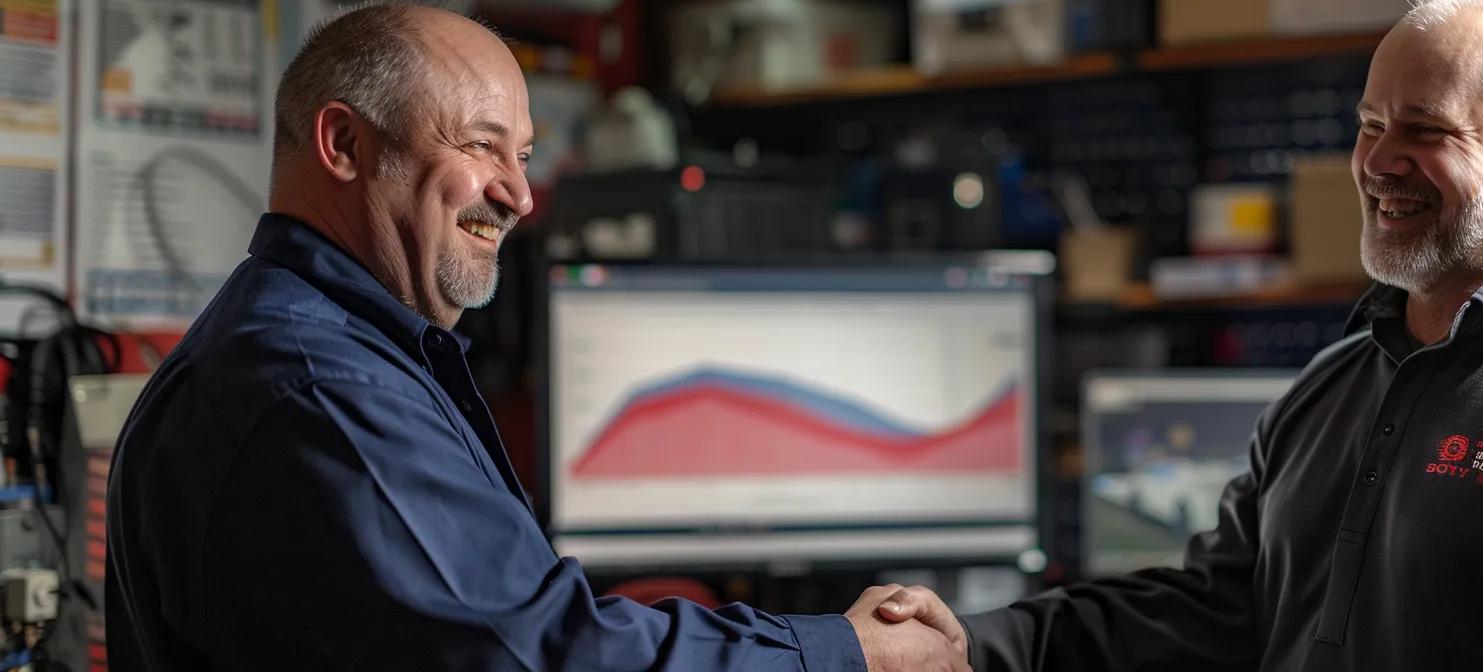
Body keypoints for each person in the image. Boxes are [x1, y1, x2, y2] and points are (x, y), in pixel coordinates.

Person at [879, 0, 1483, 669]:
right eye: (1371, 125)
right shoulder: (1333, 385)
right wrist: (974, 645)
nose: (1378, 163)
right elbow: (1214, 611)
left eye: (1424, 130)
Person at [104, 5, 965, 671]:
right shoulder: (319, 387)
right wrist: (848, 651)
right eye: (483, 147)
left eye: (523, 154)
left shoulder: (327, 351)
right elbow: (536, 654)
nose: (518, 193)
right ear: (342, 144)